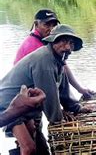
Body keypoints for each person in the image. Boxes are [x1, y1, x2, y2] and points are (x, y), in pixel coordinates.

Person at [0, 24, 84, 154]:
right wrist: (58, 120)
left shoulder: (57, 59)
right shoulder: (44, 59)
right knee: (28, 147)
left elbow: (62, 88)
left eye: (71, 43)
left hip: (24, 104)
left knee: (34, 135)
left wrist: (75, 108)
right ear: (53, 41)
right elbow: (49, 95)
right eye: (63, 42)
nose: (67, 47)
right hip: (9, 104)